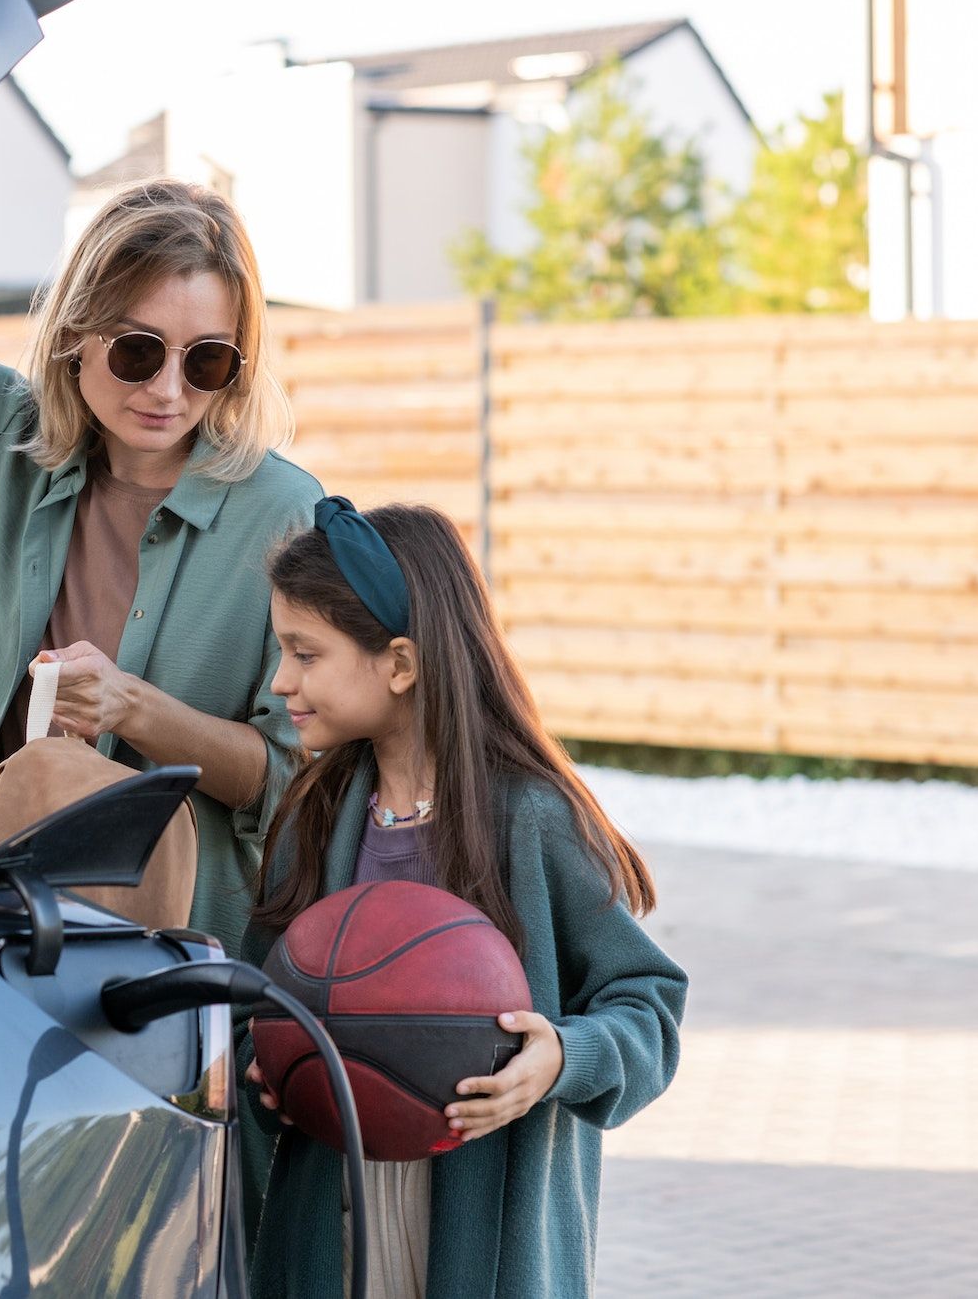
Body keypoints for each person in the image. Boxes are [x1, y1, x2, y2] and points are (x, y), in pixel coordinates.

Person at [0, 178, 321, 956]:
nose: (167, 390)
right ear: (76, 333)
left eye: (208, 362)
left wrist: (136, 710)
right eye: (137, 350)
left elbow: (295, 781)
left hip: (171, 950)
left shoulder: (284, 517)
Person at [240, 499, 688, 1298]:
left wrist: (561, 1056)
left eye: (305, 653)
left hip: (477, 1236)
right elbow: (259, 1001)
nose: (281, 681)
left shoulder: (531, 819)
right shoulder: (314, 815)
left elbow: (648, 1005)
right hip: (332, 1215)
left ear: (401, 664)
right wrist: (269, 1064)